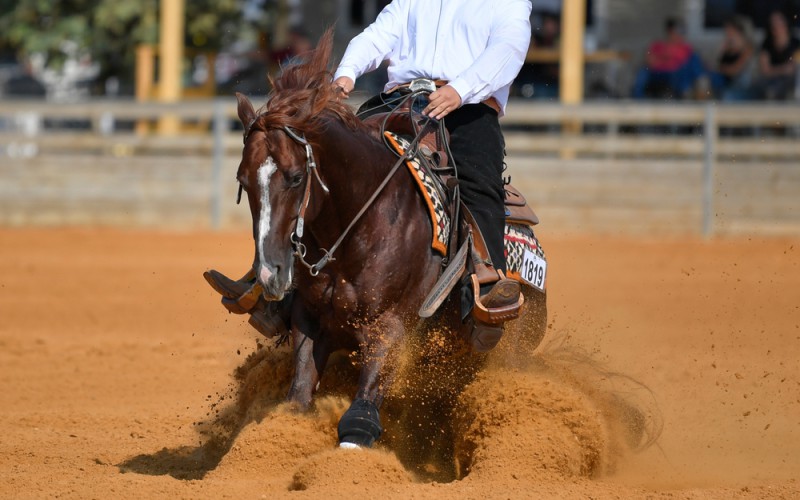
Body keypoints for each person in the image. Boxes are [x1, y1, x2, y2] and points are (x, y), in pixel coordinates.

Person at [333, 0, 532, 347]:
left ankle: (486, 280)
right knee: (335, 159)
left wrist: (461, 89)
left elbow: (508, 49)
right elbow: (377, 36)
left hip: (468, 105)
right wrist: (345, 74)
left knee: (477, 179)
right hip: (398, 101)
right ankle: (288, 274)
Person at [632, 17, 706, 99]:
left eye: (682, 32)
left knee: (690, 63)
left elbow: (682, 63)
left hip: (676, 74)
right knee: (642, 72)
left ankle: (695, 88)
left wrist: (663, 57)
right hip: (657, 73)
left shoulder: (685, 48)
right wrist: (667, 56)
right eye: (678, 31)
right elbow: (650, 62)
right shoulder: (657, 45)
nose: (681, 35)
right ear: (670, 31)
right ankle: (638, 99)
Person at [754, 10, 800, 100]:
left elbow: (794, 68)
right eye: (773, 25)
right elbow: (765, 70)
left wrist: (775, 70)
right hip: (770, 81)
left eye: (780, 23)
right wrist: (782, 69)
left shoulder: (796, 43)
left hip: (790, 81)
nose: (777, 27)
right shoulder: (766, 44)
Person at [710, 16, 755, 101]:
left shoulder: (748, 49)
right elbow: (714, 65)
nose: (727, 34)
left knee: (726, 96)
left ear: (738, 32)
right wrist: (722, 50)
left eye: (730, 31)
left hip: (742, 87)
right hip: (725, 84)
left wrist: (721, 69)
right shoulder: (727, 48)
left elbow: (735, 70)